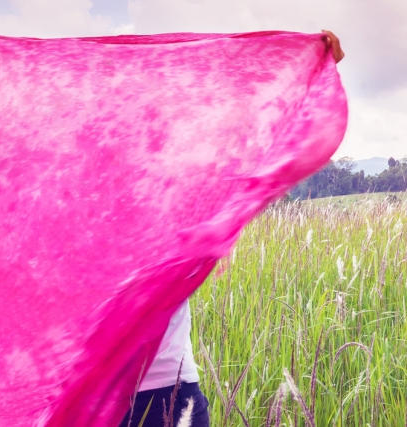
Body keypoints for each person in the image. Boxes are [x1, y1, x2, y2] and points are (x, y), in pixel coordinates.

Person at [118, 29, 344, 427]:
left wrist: (308, 67)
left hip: (162, 391)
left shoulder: (183, 202)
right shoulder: (80, 214)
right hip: (102, 397)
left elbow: (253, 135)